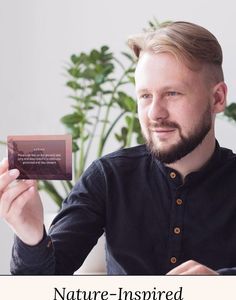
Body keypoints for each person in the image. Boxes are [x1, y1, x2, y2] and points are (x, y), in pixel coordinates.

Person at [0, 21, 236, 275]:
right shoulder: (108, 176)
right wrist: (30, 234)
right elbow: (40, 291)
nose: (155, 113)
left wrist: (223, 288)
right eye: (145, 96)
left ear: (218, 99)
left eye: (172, 94)